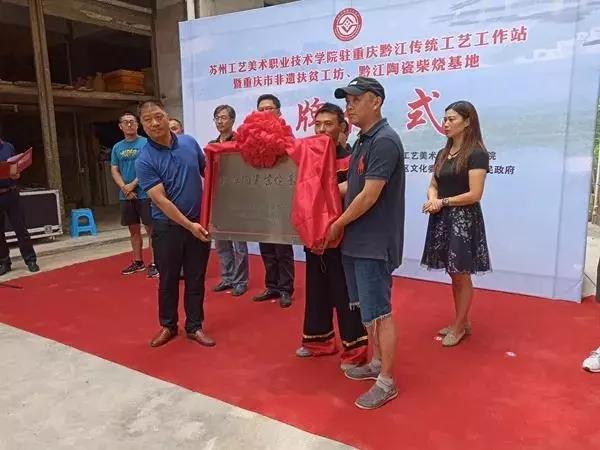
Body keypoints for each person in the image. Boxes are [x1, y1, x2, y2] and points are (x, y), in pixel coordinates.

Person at [325, 77, 405, 410]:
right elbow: (353, 188)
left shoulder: (384, 141)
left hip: (374, 243)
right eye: (347, 101)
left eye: (356, 100)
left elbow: (369, 196)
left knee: (380, 313)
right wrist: (318, 196)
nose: (350, 107)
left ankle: (386, 382)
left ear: (376, 101)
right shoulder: (362, 140)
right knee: (367, 312)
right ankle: (375, 363)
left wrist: (337, 223)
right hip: (356, 241)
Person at [135, 100, 215, 348]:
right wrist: (189, 225)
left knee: (196, 278)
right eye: (147, 120)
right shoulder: (144, 159)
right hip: (167, 228)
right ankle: (168, 326)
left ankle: (195, 326)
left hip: (199, 224)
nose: (154, 123)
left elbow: (209, 173)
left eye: (158, 116)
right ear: (142, 126)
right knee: (168, 280)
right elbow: (161, 201)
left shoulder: (189, 143)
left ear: (167, 116)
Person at [296, 103, 368, 371]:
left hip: (343, 235)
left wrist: (323, 193)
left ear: (343, 127)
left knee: (345, 293)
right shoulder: (309, 158)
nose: (322, 130)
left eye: (328, 124)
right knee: (316, 290)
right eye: (318, 124)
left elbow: (359, 191)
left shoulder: (353, 157)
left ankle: (355, 349)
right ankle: (319, 341)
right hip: (315, 237)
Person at [421, 101, 491, 347]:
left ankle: (460, 325)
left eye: (452, 119)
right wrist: (433, 199)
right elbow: (434, 184)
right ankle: (461, 321)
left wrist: (442, 202)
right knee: (453, 272)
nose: (446, 124)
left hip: (463, 219)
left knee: (461, 273)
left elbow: (475, 194)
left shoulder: (477, 153)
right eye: (445, 119)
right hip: (443, 217)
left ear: (468, 121)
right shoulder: (444, 153)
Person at [251, 94, 295, 308]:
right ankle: (272, 286)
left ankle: (285, 289)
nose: (265, 113)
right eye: (261, 109)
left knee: (282, 249)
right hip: (261, 200)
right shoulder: (251, 138)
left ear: (279, 112)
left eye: (269, 108)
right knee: (266, 247)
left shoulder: (287, 137)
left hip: (282, 201)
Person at [209, 105, 249, 297]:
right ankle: (227, 277)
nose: (220, 121)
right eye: (217, 118)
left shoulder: (241, 143)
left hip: (238, 200)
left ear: (232, 120)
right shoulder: (212, 145)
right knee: (221, 243)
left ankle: (240, 281)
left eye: (224, 117)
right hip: (218, 200)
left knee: (239, 245)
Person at [111, 112, 157, 277]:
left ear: (138, 124)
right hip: (126, 195)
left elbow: (150, 165)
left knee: (151, 229)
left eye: (132, 121)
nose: (129, 125)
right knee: (133, 229)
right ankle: (138, 261)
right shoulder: (117, 147)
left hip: (145, 192)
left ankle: (155, 262)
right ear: (120, 126)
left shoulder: (146, 143)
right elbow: (114, 169)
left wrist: (133, 185)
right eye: (126, 122)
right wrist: (125, 187)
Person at [0, 125, 39, 276]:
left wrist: (16, 174)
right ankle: (4, 262)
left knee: (21, 228)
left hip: (11, 193)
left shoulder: (8, 147)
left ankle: (30, 259)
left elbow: (15, 168)